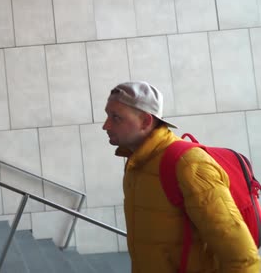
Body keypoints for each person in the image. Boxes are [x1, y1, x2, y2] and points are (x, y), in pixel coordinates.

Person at [102, 81, 260, 273]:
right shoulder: (136, 164)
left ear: (145, 121)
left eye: (116, 118)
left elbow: (240, 256)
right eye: (107, 115)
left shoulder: (188, 164)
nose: (105, 125)